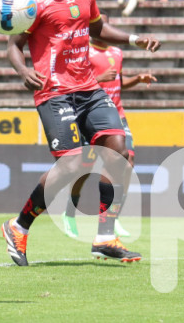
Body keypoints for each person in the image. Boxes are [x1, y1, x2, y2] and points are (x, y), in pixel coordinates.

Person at [0, 0, 160, 266]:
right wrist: (22, 70)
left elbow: (98, 28)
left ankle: (105, 236)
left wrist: (133, 39)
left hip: (89, 88)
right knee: (73, 165)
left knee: (120, 150)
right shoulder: (33, 3)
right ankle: (18, 226)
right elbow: (13, 45)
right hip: (54, 92)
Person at [60, 15, 157, 239]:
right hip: (91, 115)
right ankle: (70, 212)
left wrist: (138, 79)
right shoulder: (82, 52)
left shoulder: (117, 52)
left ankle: (113, 218)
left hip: (116, 115)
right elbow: (73, 85)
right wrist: (100, 77)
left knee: (127, 161)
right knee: (83, 167)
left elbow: (119, 82)